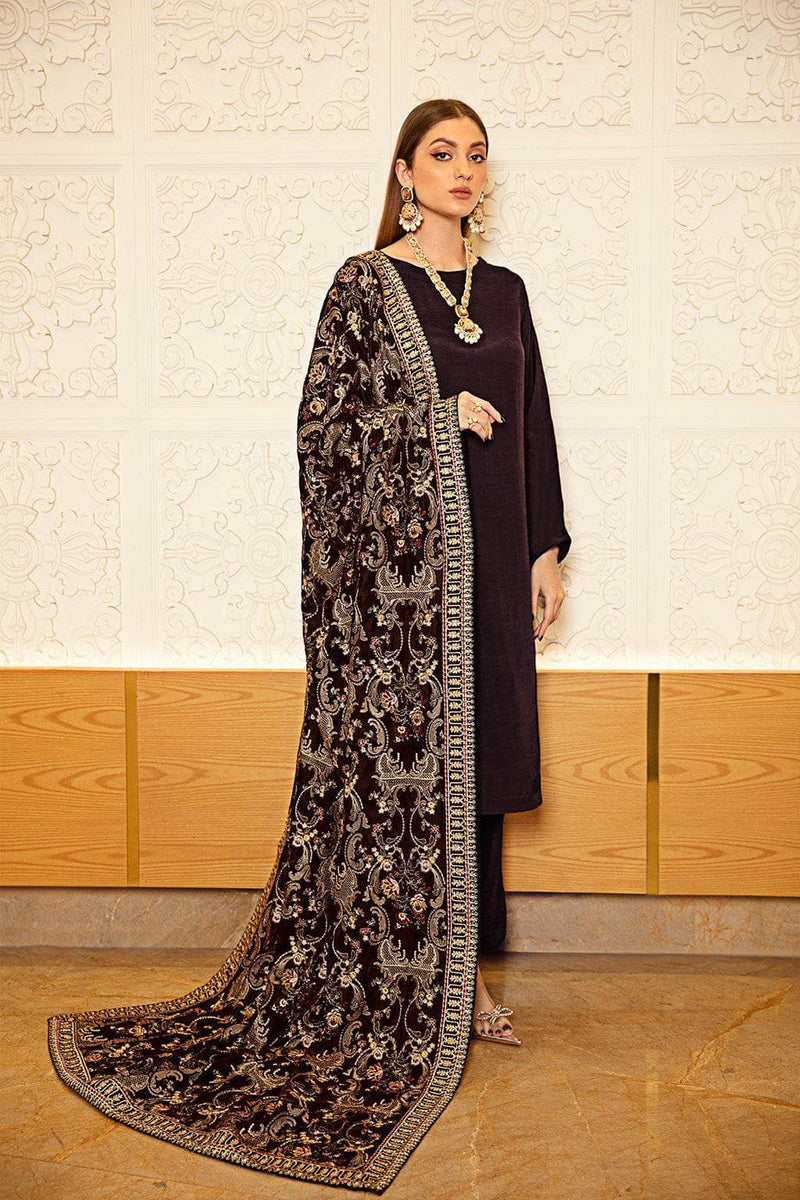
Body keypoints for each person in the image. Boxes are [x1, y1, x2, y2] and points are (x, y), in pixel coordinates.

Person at [46, 98, 570, 1192]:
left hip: (495, 549)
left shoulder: (507, 290)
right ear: (404, 172)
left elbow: (535, 420)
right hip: (402, 593)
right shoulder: (364, 286)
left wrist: (546, 548)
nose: (462, 170)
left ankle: (467, 979)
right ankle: (423, 987)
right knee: (409, 772)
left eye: (476, 155)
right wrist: (431, 422)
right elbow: (322, 430)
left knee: (478, 767)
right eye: (441, 154)